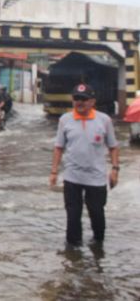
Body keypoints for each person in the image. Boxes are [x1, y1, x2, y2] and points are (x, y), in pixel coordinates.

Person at [50, 83, 120, 247]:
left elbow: (113, 147)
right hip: (72, 176)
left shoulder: (104, 120)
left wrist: (115, 169)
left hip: (96, 177)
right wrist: (54, 172)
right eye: (76, 99)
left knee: (97, 214)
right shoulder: (65, 120)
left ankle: (98, 248)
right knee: (73, 216)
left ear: (92, 101)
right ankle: (73, 256)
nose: (79, 102)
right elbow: (58, 147)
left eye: (84, 99)